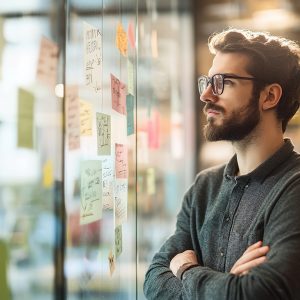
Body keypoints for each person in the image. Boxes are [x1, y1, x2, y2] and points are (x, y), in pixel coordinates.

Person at [143, 28, 300, 299]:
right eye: (207, 82)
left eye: (223, 82)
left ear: (270, 96)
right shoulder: (204, 187)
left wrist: (187, 270)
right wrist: (226, 285)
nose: (206, 95)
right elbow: (154, 282)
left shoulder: (293, 189)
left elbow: (261, 293)